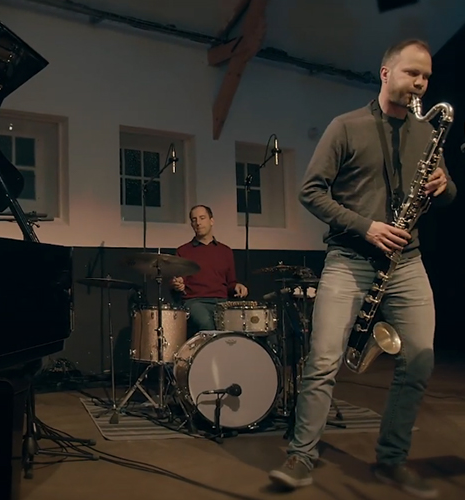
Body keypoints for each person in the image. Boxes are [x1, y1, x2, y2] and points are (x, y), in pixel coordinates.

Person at [267, 38, 455, 498]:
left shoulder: (427, 133)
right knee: (325, 359)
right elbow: (311, 191)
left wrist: (445, 184)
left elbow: (448, 198)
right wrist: (366, 227)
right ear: (386, 72)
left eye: (426, 76)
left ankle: (392, 459)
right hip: (350, 258)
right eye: (412, 73)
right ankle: (301, 455)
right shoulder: (345, 126)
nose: (420, 84)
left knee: (420, 361)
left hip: (407, 262)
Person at [171, 205, 248, 335]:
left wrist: (237, 286)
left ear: (211, 221)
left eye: (202, 218)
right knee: (207, 324)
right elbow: (176, 282)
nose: (198, 223)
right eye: (194, 220)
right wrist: (177, 284)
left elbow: (231, 283)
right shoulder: (183, 251)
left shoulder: (225, 251)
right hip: (195, 301)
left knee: (239, 327)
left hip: (222, 302)